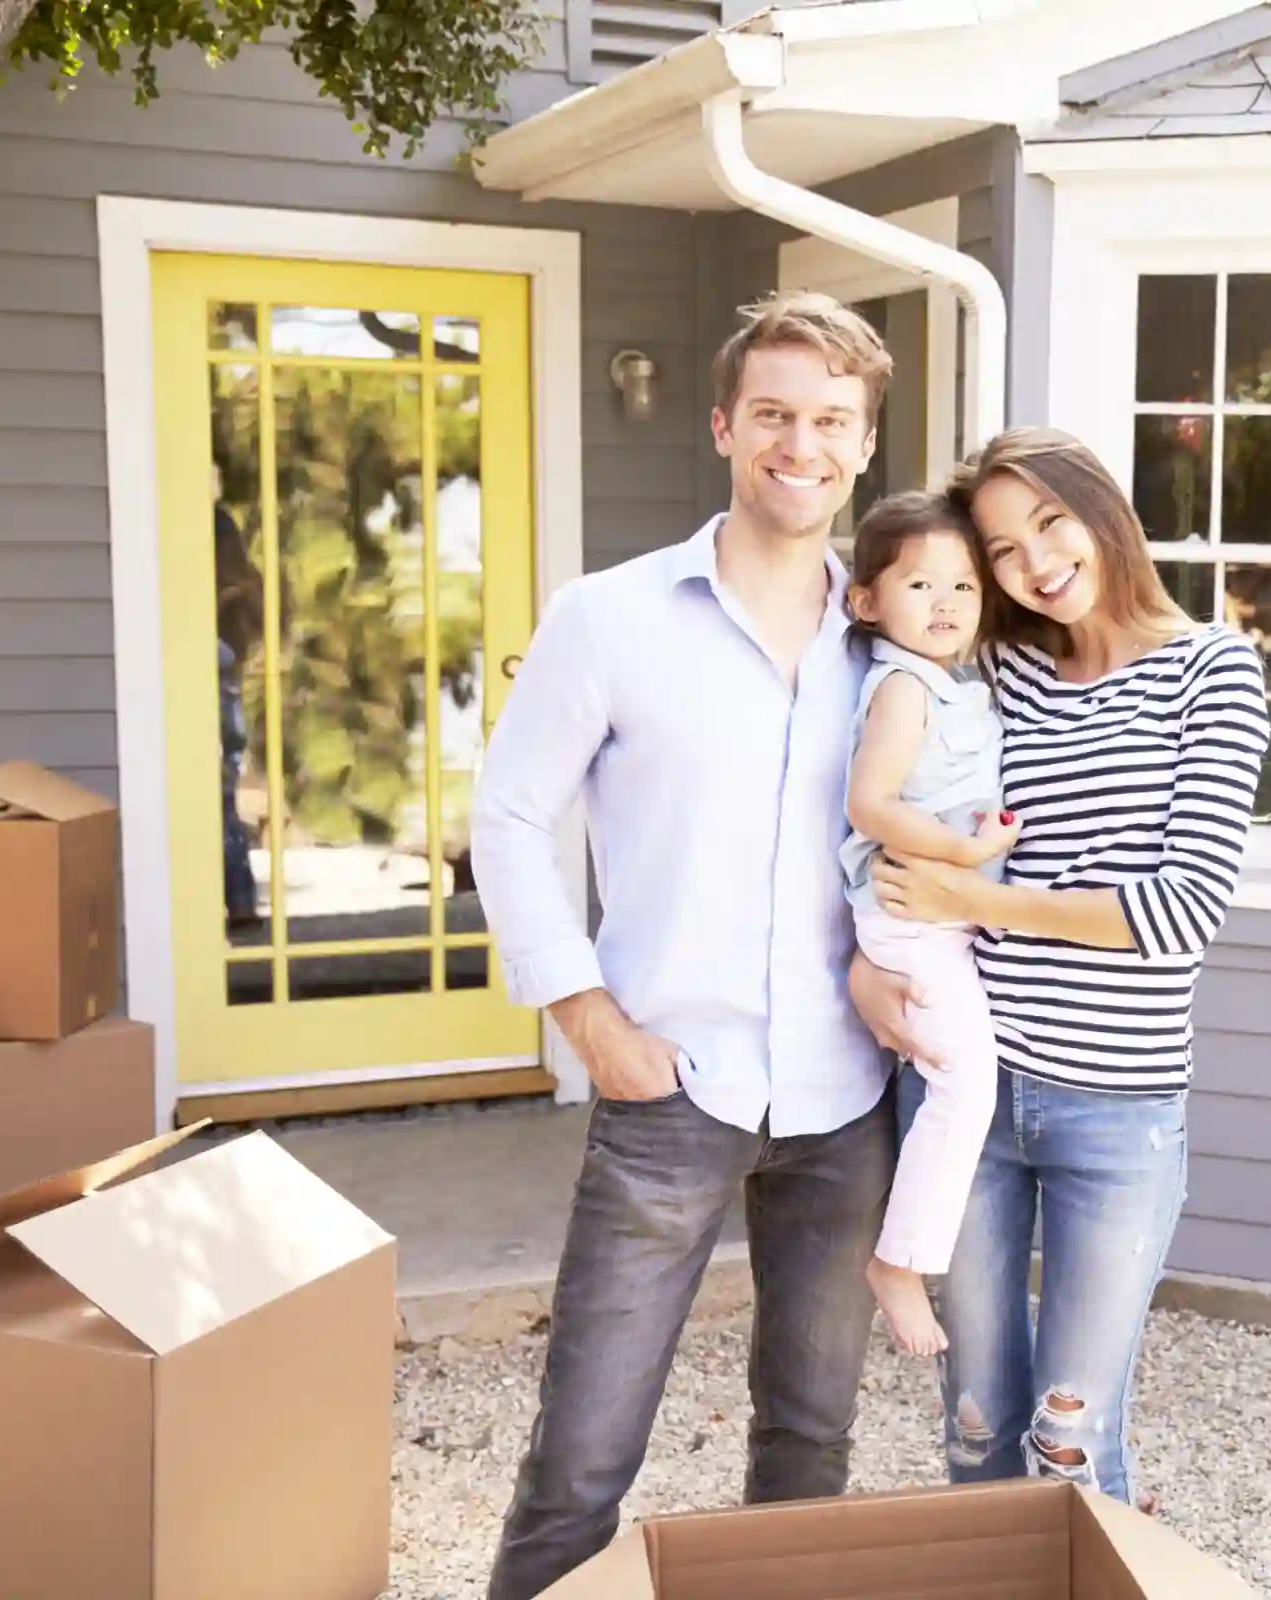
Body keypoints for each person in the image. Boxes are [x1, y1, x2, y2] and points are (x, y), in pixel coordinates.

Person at [471, 291, 897, 1600]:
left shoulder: (893, 640)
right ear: (724, 425)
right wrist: (584, 1014)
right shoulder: (610, 617)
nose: (800, 444)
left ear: (866, 445)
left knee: (811, 1441)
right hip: (669, 1089)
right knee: (584, 1460)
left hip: (846, 1096)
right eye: (774, 413)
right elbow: (507, 812)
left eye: (832, 420)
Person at [849, 427, 1271, 1508]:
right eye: (999, 549)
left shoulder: (1213, 669)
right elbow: (869, 746)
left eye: (1048, 523)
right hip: (968, 1091)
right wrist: (864, 968)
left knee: (1071, 1434)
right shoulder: (1000, 670)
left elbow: (1181, 911)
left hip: (1118, 1115)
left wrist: (973, 899)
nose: (1032, 563)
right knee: (975, 1421)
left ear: (1102, 508)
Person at [836, 490, 1016, 1357]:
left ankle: (906, 1255)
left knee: (959, 1079)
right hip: (911, 914)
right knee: (963, 1084)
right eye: (919, 586)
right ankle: (899, 1263)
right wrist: (963, 853)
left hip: (940, 915)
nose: (946, 605)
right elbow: (869, 804)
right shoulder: (903, 688)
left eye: (964, 587)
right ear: (867, 600)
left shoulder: (958, 684)